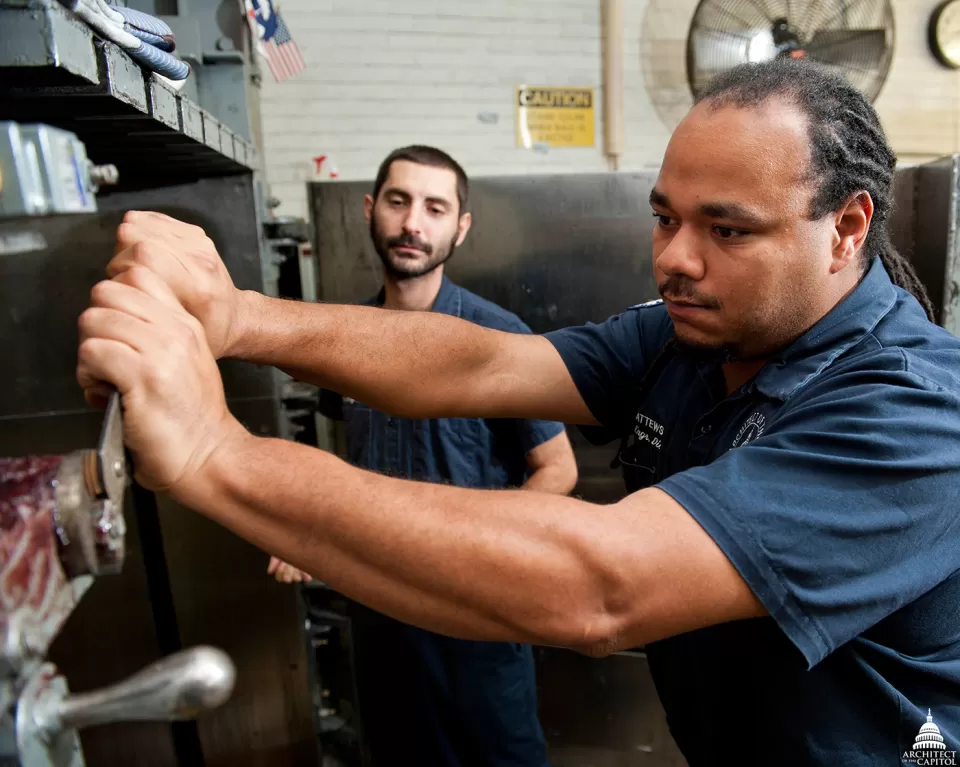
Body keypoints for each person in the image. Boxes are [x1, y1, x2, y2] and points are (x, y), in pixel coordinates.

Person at [77, 59, 960, 766]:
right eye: (664, 218)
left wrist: (211, 450)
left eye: (726, 230)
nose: (674, 260)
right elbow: (486, 360)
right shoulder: (694, 335)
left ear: (846, 227)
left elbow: (602, 586)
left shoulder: (913, 410)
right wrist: (239, 317)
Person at [268, 145, 577, 767]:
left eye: (435, 208)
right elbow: (339, 456)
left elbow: (559, 469)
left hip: (476, 614)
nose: (414, 222)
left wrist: (482, 543)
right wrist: (304, 528)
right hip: (378, 609)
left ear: (459, 227)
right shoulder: (341, 339)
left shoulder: (499, 338)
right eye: (399, 200)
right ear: (370, 209)